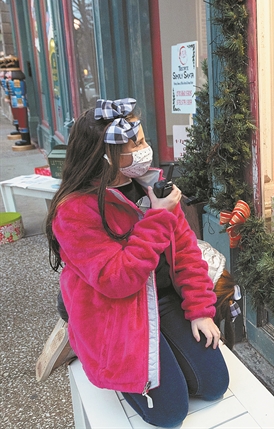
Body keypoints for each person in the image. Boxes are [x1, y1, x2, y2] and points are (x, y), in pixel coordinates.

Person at [38, 98, 229, 427]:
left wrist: (199, 309)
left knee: (214, 386)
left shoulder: (149, 184)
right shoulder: (73, 211)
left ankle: (159, 347)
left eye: (143, 139)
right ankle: (83, 339)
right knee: (169, 413)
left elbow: (184, 250)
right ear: (106, 155)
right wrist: (157, 217)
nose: (146, 148)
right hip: (112, 310)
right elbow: (117, 280)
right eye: (136, 143)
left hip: (161, 296)